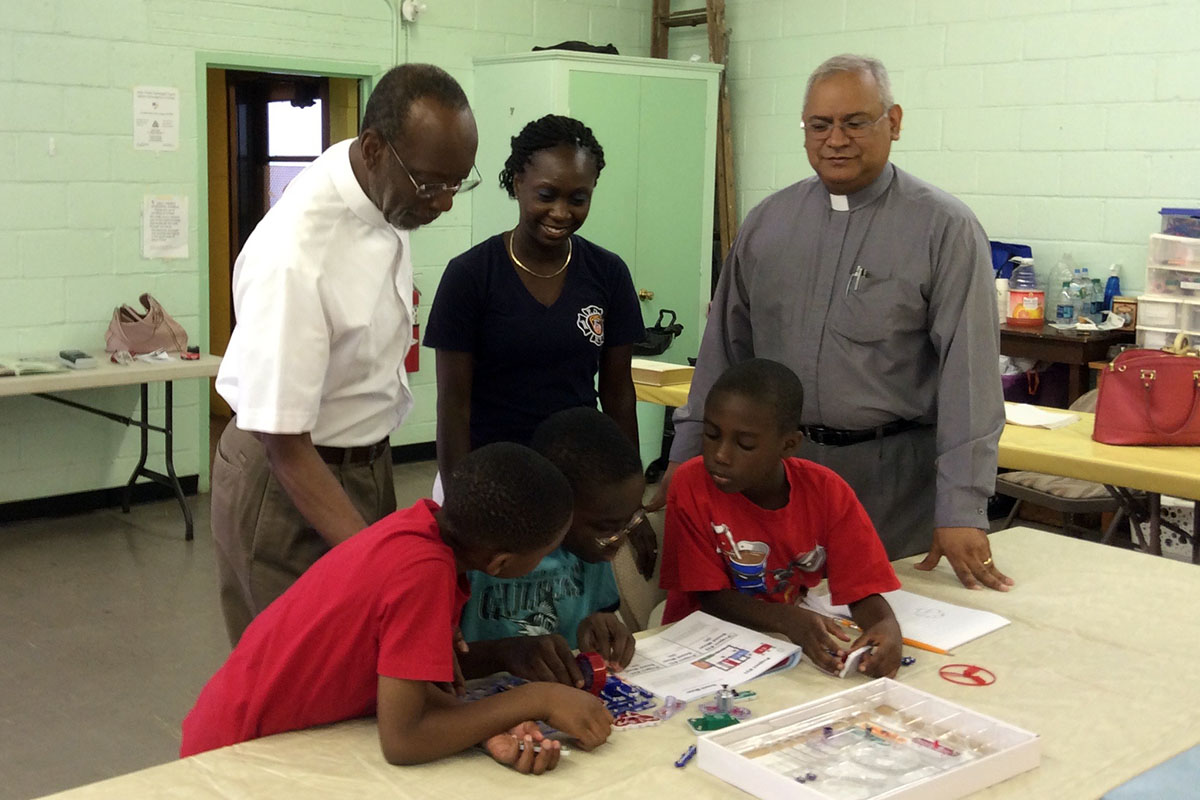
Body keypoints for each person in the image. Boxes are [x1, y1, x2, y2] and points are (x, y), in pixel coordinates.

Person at [650, 54, 1010, 592]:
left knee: (891, 635)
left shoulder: (944, 229)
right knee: (776, 631)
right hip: (773, 484)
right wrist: (686, 461)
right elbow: (724, 356)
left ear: (894, 121)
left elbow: (971, 379)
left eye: (854, 122)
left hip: (889, 486)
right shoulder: (767, 224)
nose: (835, 139)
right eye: (819, 125)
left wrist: (962, 506)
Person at [211, 64, 481, 644]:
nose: (445, 204)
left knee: (370, 653)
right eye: (433, 186)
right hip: (285, 477)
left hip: (361, 460)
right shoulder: (295, 254)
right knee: (292, 676)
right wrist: (378, 561)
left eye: (458, 184)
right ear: (377, 149)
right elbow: (284, 442)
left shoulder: (386, 185)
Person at [181, 443, 613, 771]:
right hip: (235, 754)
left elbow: (412, 684)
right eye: (545, 551)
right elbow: (403, 741)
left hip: (251, 728)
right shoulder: (422, 575)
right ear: (500, 563)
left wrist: (497, 685)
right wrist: (538, 698)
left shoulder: (421, 530)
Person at [423, 114, 657, 578]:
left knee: (576, 618)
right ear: (517, 184)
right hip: (491, 481)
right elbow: (454, 404)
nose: (561, 212)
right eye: (546, 195)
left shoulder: (607, 274)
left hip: (577, 487)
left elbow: (617, 393)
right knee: (492, 619)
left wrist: (629, 507)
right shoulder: (471, 275)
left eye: (579, 198)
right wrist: (459, 505)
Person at [660, 359, 902, 678]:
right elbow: (709, 597)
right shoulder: (691, 484)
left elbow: (861, 587)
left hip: (786, 640)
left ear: (788, 445)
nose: (720, 454)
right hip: (703, 642)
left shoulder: (826, 491)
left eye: (744, 444)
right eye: (711, 434)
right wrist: (786, 619)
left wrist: (885, 625)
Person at [458, 408, 643, 685]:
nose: (618, 540)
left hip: (561, 695)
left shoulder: (591, 551)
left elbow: (597, 613)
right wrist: (504, 653)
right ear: (556, 503)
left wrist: (599, 624)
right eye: (606, 528)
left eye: (628, 523)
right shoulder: (480, 548)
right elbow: (435, 662)